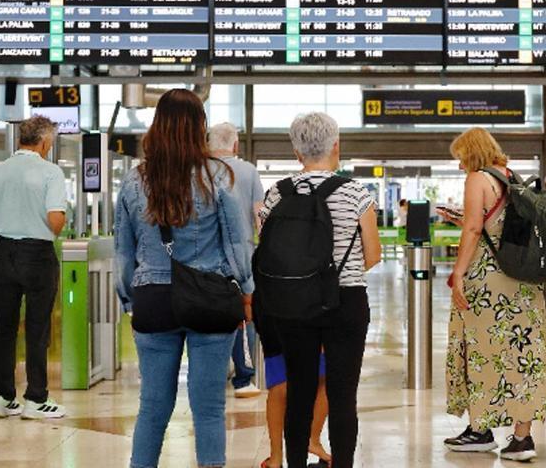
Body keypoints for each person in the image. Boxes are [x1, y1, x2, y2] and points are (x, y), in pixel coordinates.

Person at [115, 89, 255, 468]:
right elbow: (236, 242)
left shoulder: (134, 181)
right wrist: (246, 289)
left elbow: (123, 252)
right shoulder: (217, 177)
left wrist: (129, 299)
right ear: (200, 129)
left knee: (153, 407)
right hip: (209, 298)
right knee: (208, 408)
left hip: (153, 300)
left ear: (157, 126)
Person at [257, 112, 381, 468]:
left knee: (299, 391)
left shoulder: (276, 193)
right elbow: (371, 255)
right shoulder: (356, 193)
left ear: (296, 152)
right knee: (343, 396)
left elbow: (268, 252)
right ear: (336, 146)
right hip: (345, 302)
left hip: (292, 303)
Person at [442, 127, 546, 462]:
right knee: (522, 352)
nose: (461, 166)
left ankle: (481, 429)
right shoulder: (512, 177)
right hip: (522, 279)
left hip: (489, 282)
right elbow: (499, 224)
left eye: (462, 158)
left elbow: (476, 229)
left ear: (472, 153)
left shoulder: (478, 178)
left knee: (481, 351)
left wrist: (459, 273)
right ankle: (522, 438)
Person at [0, 115, 68, 420]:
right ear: (45, 141)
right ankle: (36, 399)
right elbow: (56, 221)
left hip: (4, 252)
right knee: (37, 328)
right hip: (37, 255)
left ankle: (3, 397)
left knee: (4, 327)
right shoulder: (50, 172)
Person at [207, 122, 265, 399]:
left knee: (209, 313)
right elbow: (259, 216)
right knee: (245, 313)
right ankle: (244, 377)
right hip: (242, 255)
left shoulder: (198, 171)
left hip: (203, 256)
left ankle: (215, 373)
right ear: (235, 145)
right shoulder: (248, 171)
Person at [253, 287, 332, 468]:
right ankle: (312, 439)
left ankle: (276, 457)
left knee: (279, 378)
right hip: (312, 296)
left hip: (270, 294)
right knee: (324, 374)